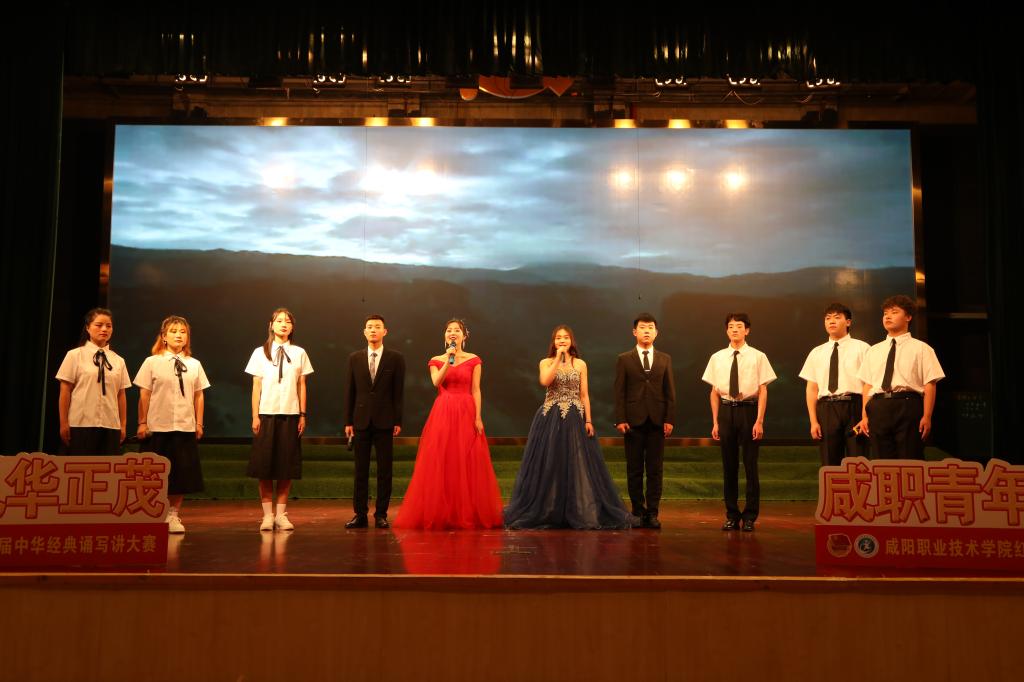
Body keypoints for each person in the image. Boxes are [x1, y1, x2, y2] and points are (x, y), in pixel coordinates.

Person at [504, 326, 638, 529]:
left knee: (576, 462)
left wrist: (588, 420)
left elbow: (584, 394)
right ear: (553, 342)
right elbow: (545, 381)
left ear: (571, 341)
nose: (562, 340)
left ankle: (577, 509)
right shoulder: (546, 362)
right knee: (550, 461)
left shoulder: (581, 364)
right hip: (550, 417)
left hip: (575, 417)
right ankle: (549, 509)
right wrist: (557, 359)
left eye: (565, 337)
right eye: (558, 338)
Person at [392, 319, 503, 529]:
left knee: (466, 459)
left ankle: (466, 512)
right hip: (443, 411)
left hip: (467, 410)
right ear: (445, 336)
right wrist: (448, 359)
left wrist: (478, 417)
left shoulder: (474, 360)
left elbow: (476, 389)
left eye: (457, 330)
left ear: (464, 336)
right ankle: (442, 512)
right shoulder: (436, 360)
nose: (453, 333)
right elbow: (436, 382)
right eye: (449, 330)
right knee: (443, 459)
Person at [134, 315, 211, 534]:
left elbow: (199, 395)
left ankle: (173, 514)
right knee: (153, 474)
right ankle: (151, 513)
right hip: (157, 426)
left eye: (183, 332)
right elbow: (144, 394)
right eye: (174, 331)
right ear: (164, 336)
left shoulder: (194, 364)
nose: (179, 335)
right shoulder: (152, 362)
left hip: (184, 426)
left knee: (180, 474)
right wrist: (142, 422)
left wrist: (199, 423)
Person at [702, 312, 776, 532]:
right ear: (726, 330)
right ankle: (732, 515)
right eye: (731, 326)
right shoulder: (717, 357)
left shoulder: (758, 356)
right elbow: (714, 392)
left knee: (751, 465)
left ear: (747, 330)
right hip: (726, 411)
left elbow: (763, 390)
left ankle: (750, 516)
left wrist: (759, 421)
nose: (734, 329)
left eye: (739, 326)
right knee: (729, 466)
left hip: (749, 410)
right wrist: (715, 422)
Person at [244, 308, 313, 532]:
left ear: (292, 327)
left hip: (290, 415)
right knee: (264, 467)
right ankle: (267, 515)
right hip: (266, 413)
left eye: (288, 321)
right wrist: (255, 415)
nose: (284, 324)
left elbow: (302, 385)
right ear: (271, 325)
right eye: (279, 320)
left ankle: (281, 514)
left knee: (286, 467)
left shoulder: (299, 352)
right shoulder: (259, 353)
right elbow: (256, 386)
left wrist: (302, 414)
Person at [856, 295, 945, 459]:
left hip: (908, 404)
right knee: (881, 460)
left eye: (894, 312)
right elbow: (868, 386)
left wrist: (927, 416)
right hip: (878, 405)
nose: (888, 317)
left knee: (910, 458)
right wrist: (864, 416)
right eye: (885, 314)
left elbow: (930, 384)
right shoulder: (873, 350)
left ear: (908, 317)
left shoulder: (922, 349)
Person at [613, 313, 675, 529]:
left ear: (656, 333)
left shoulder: (665, 359)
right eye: (642, 327)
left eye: (650, 328)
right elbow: (619, 391)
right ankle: (638, 512)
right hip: (633, 422)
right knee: (635, 469)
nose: (646, 331)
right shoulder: (624, 359)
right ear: (634, 332)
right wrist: (620, 418)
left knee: (655, 470)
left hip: (657, 421)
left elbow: (670, 392)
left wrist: (669, 419)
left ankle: (653, 513)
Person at [343, 314, 406, 529]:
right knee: (360, 470)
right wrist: (348, 420)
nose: (373, 330)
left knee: (384, 470)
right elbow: (350, 391)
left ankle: (381, 514)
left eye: (377, 327)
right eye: (369, 327)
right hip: (360, 421)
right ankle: (360, 514)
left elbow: (398, 392)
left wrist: (398, 419)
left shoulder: (395, 358)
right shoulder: (354, 358)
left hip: (385, 420)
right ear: (364, 332)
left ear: (384, 331)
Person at [798, 303, 870, 466]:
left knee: (858, 461)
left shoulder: (862, 348)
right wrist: (813, 421)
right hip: (827, 409)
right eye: (828, 318)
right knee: (829, 461)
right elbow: (811, 389)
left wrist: (865, 416)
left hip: (855, 406)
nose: (831, 321)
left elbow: (869, 384)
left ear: (848, 322)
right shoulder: (817, 352)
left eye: (837, 317)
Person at [55, 307, 130, 455]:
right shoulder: (75, 355)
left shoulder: (118, 360)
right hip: (80, 424)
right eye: (99, 325)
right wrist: (63, 423)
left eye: (108, 326)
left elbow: (121, 394)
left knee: (106, 468)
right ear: (88, 328)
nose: (104, 329)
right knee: (80, 467)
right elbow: (65, 390)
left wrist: (123, 425)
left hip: (111, 425)